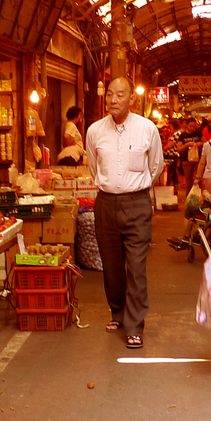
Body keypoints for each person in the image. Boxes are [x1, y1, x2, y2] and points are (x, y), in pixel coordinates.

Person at [85, 77, 164, 349]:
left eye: (120, 95)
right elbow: (94, 167)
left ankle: (135, 325)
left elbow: (156, 166)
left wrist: (135, 190)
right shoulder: (95, 131)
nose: (114, 100)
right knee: (112, 266)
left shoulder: (147, 129)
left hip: (137, 204)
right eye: (109, 94)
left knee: (137, 268)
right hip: (105, 204)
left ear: (132, 99)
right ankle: (117, 312)